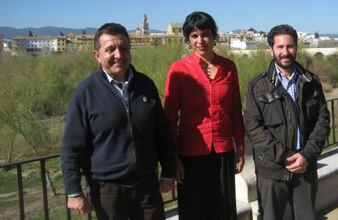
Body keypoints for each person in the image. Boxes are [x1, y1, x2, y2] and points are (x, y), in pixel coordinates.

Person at [61, 23, 176, 220]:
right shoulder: (85, 92)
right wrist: (73, 191)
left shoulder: (145, 85)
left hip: (146, 185)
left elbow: (161, 132)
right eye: (110, 49)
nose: (118, 55)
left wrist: (168, 171)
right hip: (107, 190)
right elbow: (72, 146)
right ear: (97, 55)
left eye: (123, 48)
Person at [244, 24, 330, 220]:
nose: (285, 52)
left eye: (290, 46)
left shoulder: (311, 82)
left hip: (304, 168)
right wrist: (285, 156)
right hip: (272, 170)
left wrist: (307, 154)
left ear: (297, 47)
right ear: (271, 49)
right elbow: (254, 128)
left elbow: (322, 121)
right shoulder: (257, 86)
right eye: (280, 47)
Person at [164, 11, 245, 220]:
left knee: (223, 209)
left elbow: (235, 110)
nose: (201, 41)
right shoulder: (178, 70)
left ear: (214, 36)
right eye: (194, 35)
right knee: (195, 211)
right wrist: (173, 158)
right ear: (188, 40)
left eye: (205, 34)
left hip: (222, 151)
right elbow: (170, 117)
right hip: (190, 154)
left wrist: (240, 148)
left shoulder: (228, 68)